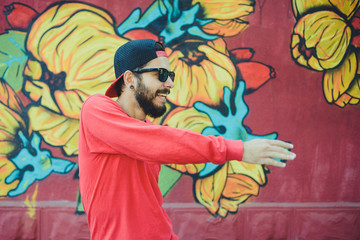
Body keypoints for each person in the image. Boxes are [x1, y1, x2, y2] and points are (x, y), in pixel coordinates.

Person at [78, 39, 296, 240]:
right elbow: (156, 141)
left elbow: (150, 209)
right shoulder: (96, 110)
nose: (170, 84)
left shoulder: (148, 132)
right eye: (161, 74)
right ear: (129, 79)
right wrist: (237, 149)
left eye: (171, 75)